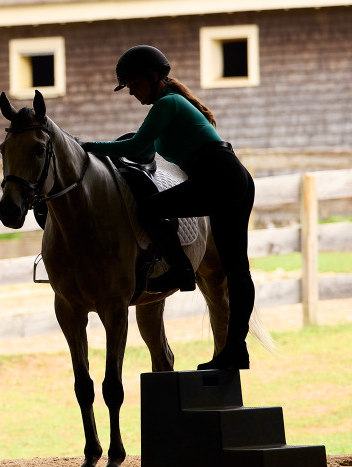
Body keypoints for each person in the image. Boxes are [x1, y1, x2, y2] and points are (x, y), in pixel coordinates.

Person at [81, 45, 255, 371]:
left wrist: (84, 148)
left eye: (133, 84)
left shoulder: (168, 103)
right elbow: (139, 148)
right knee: (236, 268)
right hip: (221, 176)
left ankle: (182, 271)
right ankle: (236, 351)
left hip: (220, 174)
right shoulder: (167, 106)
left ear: (153, 77)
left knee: (152, 211)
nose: (131, 92)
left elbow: (134, 146)